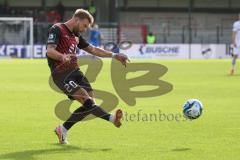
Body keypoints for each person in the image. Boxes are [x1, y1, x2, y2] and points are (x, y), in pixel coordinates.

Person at [46, 9, 130, 144]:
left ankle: (63, 129)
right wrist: (62, 56)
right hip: (61, 74)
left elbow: (93, 50)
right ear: (77, 20)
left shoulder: (76, 35)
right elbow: (49, 51)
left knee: (90, 104)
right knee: (88, 102)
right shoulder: (58, 29)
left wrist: (115, 55)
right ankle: (112, 119)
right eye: (84, 25)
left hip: (75, 72)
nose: (85, 29)